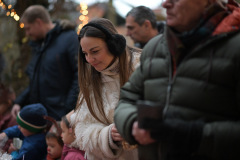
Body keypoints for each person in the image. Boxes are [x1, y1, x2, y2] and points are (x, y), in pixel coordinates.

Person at [114, 0, 240, 160]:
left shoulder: (235, 47)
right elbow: (126, 99)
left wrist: (195, 135)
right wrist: (132, 123)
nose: (166, 4)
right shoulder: (154, 48)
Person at [69, 18, 141, 159]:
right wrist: (107, 135)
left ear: (114, 45)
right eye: (85, 54)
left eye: (94, 51)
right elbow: (81, 130)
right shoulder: (90, 81)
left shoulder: (143, 67)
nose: (89, 60)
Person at [11, 5, 79, 120]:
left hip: (60, 116)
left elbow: (80, 77)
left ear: (38, 22)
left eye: (28, 28)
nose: (27, 33)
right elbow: (36, 80)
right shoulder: (38, 45)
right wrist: (19, 102)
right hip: (42, 117)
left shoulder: (70, 39)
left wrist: (67, 111)